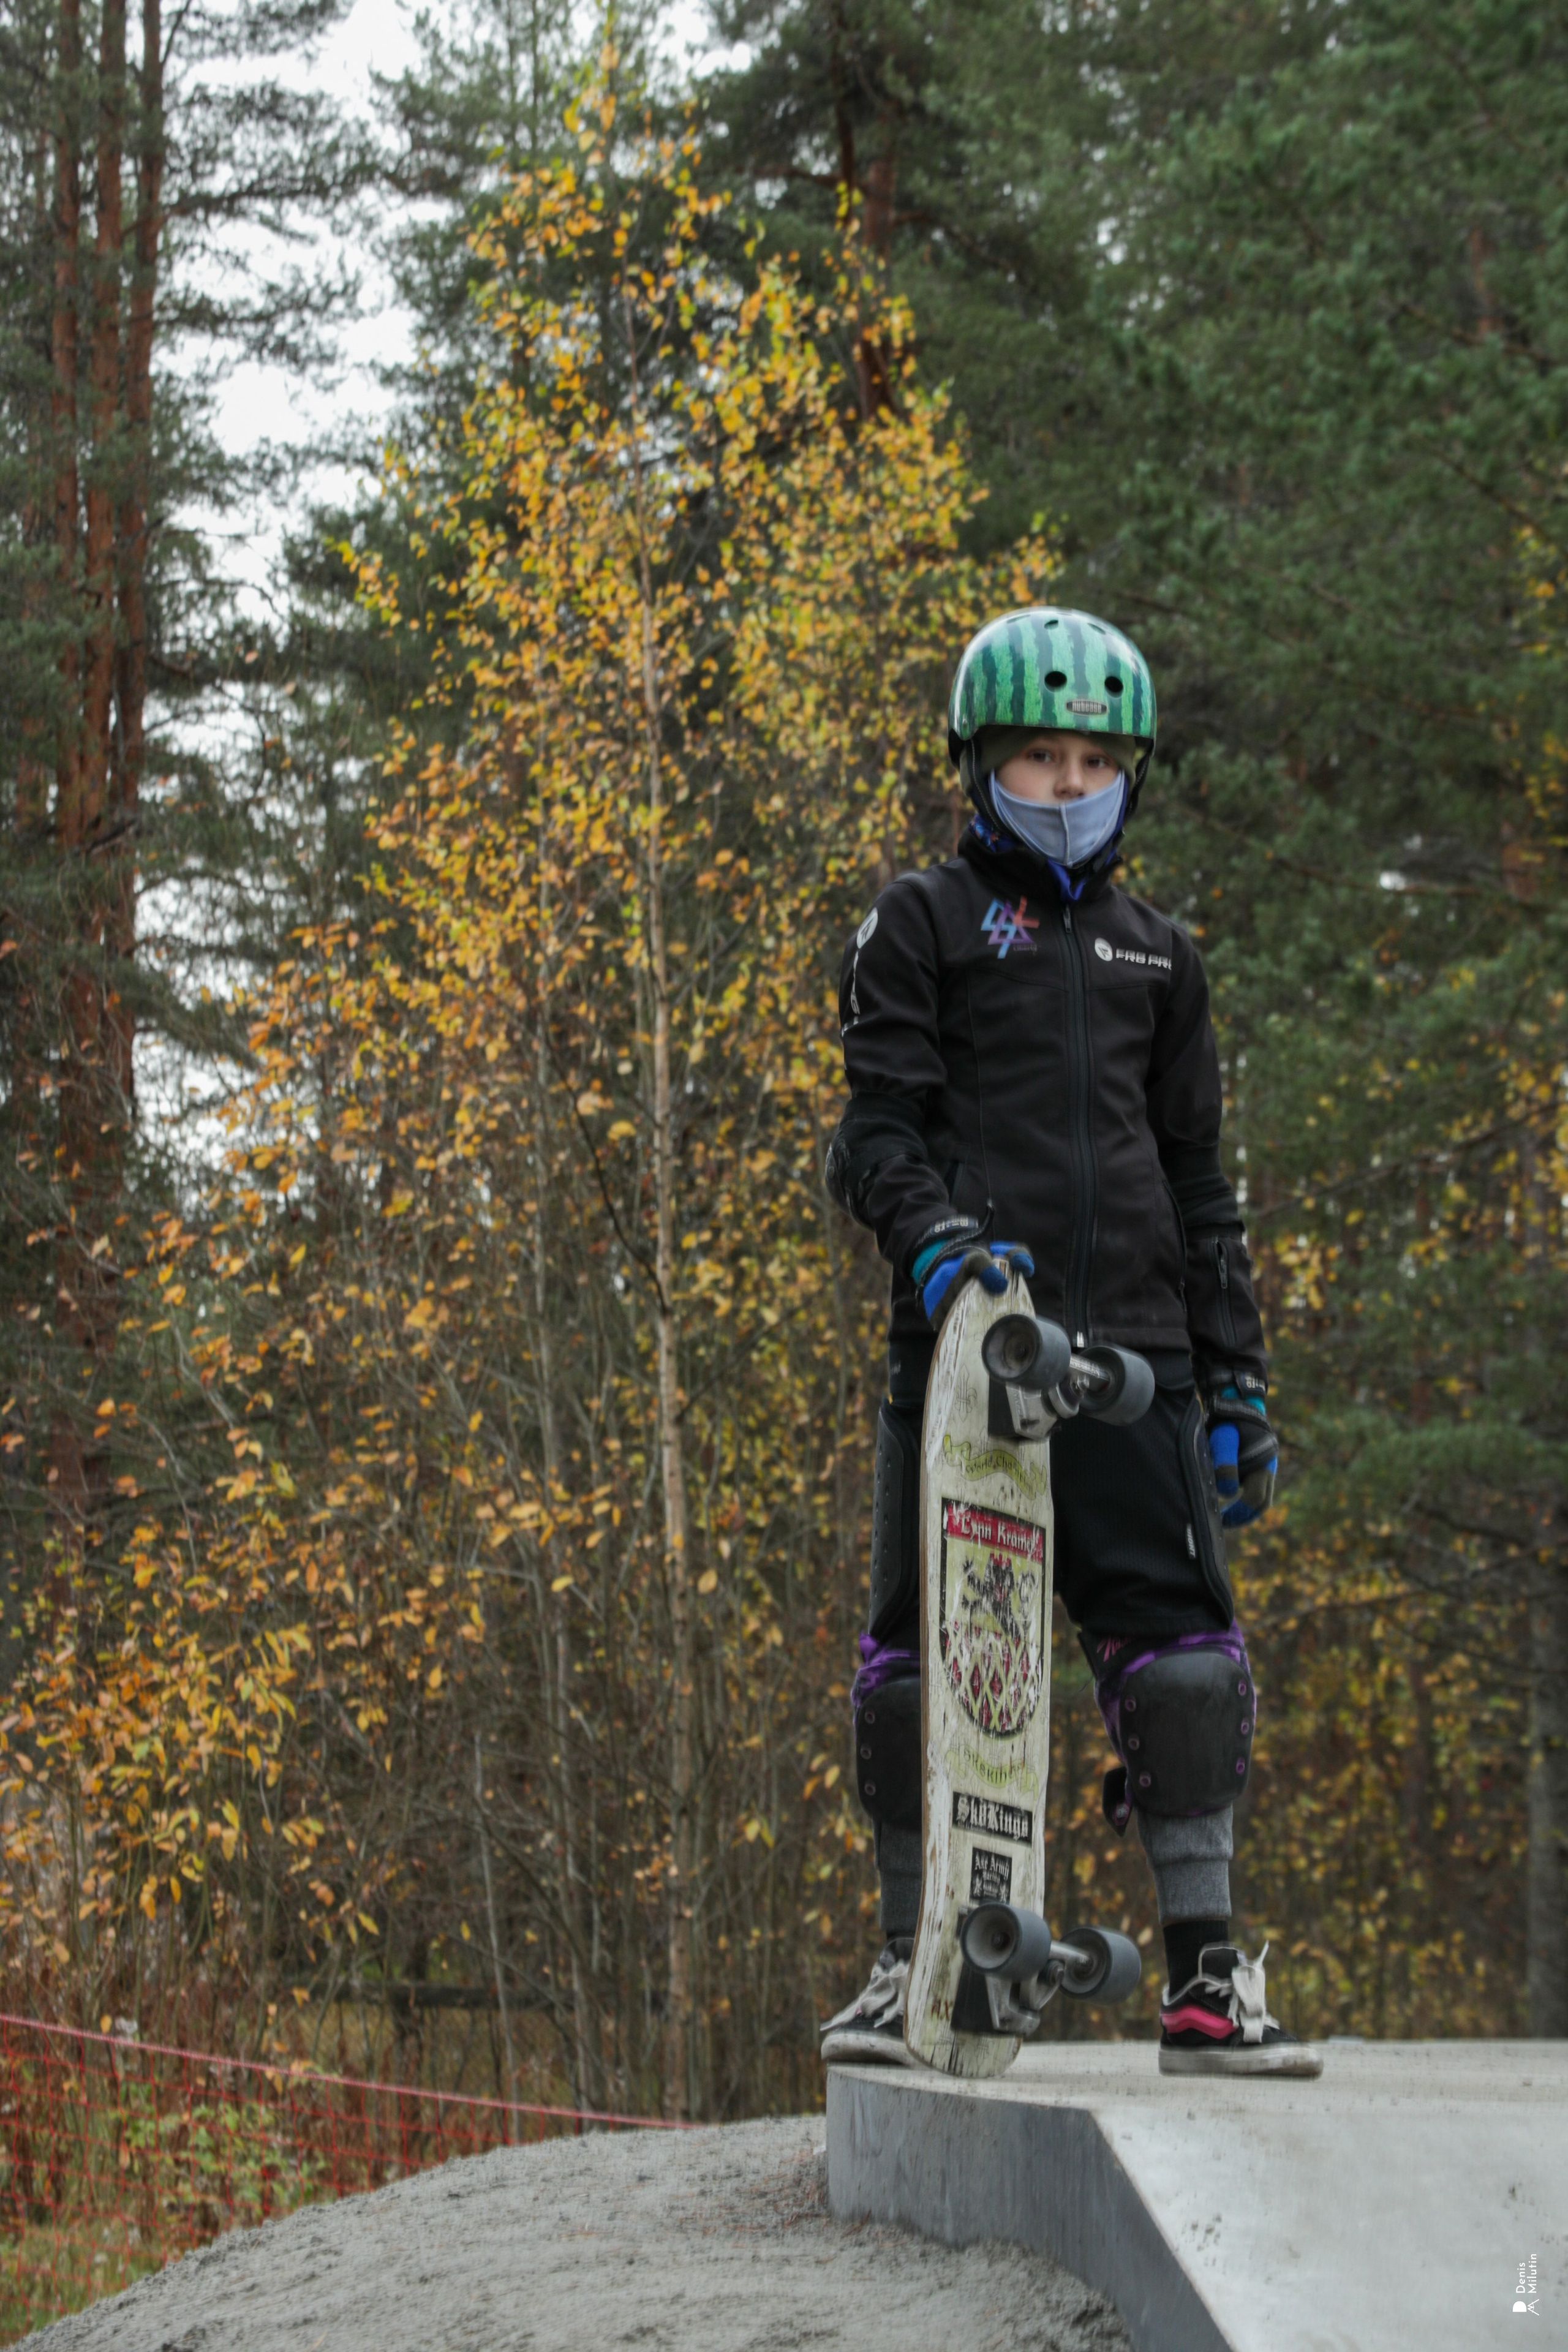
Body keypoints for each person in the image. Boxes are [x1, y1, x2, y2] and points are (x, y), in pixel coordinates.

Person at [819, 606, 1320, 2077]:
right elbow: (871, 1138)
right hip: (973, 1356)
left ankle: (1204, 1982)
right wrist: (937, 1249)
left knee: (1183, 1668)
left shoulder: (1161, 958)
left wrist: (1232, 1380)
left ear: (1128, 773)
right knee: (922, 1671)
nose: (1065, 785)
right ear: (978, 764)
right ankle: (911, 1962)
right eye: (1037, 758)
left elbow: (1199, 1188)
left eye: (1093, 762)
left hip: (1136, 1363)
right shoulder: (918, 922)